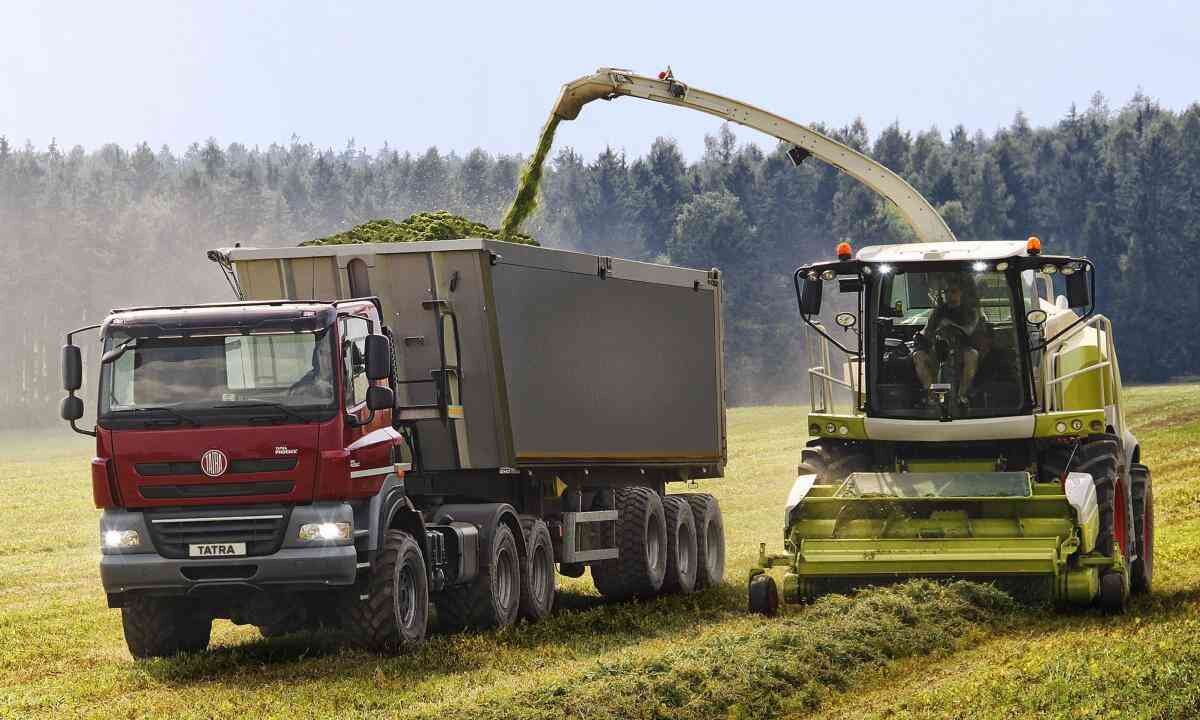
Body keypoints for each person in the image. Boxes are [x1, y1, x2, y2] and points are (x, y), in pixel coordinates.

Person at [912, 274, 987, 407]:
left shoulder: (971, 311)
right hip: (938, 351)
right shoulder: (938, 312)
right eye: (946, 292)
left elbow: (969, 330)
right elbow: (927, 331)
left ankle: (961, 395)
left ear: (961, 292)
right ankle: (932, 395)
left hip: (962, 350)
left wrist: (950, 324)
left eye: (953, 291)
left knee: (972, 355)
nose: (949, 295)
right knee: (918, 356)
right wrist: (921, 336)